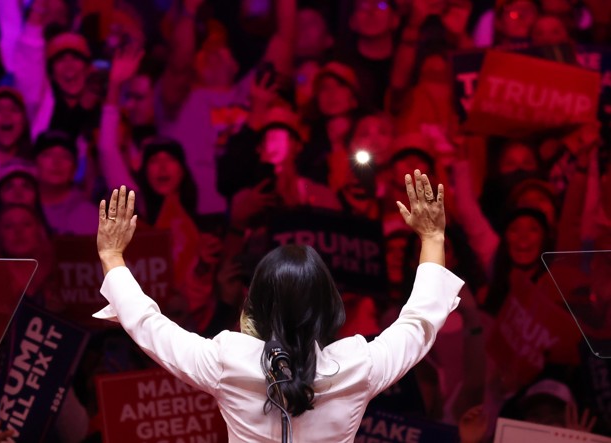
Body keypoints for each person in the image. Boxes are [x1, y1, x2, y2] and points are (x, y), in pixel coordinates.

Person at [91, 169, 464, 442]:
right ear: (327, 308)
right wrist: (432, 238)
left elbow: (148, 324)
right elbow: (419, 321)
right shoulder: (357, 367)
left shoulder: (227, 362)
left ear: (254, 307)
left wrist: (112, 256)